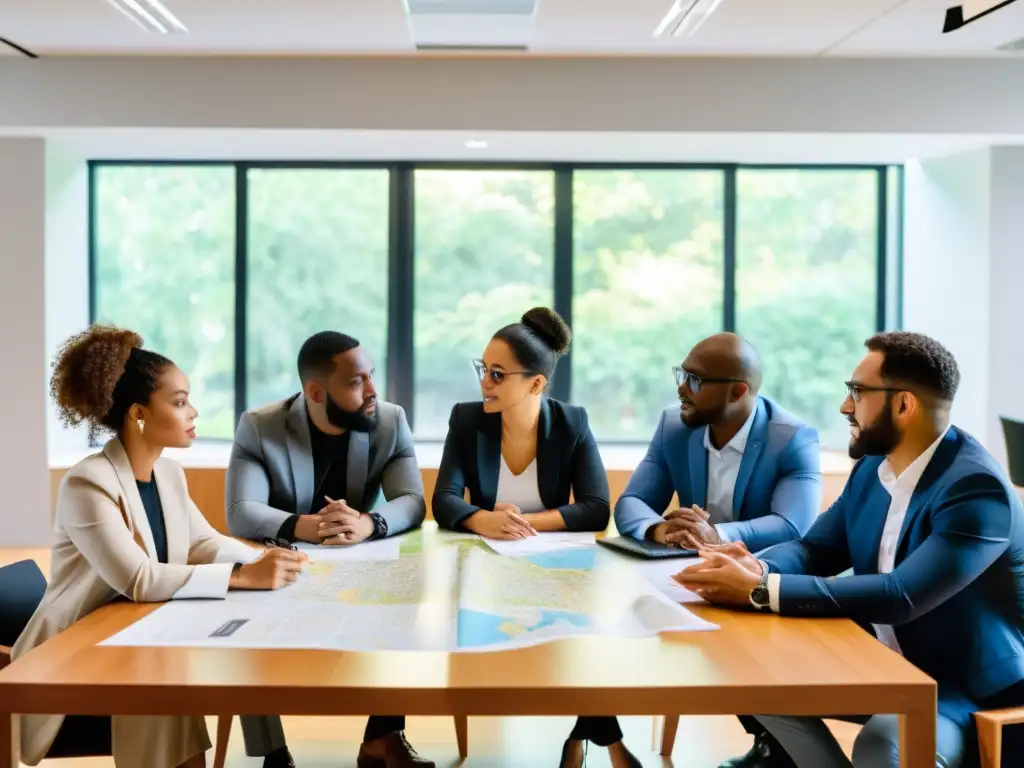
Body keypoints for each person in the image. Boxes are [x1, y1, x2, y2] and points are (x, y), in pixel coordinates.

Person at [677, 331, 1024, 768]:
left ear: (903, 405)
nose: (845, 406)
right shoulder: (872, 469)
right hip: (882, 662)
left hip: (963, 688)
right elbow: (813, 550)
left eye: (857, 392)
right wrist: (749, 564)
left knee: (883, 746)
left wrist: (761, 588)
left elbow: (901, 595)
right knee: (752, 675)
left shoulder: (976, 489)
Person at [13, 325, 306, 768]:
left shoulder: (168, 474)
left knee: (207, 651)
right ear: (138, 415)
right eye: (180, 401)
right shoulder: (88, 483)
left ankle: (272, 754)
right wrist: (243, 576)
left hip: (135, 631)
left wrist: (270, 560)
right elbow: (139, 579)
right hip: (70, 655)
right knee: (167, 681)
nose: (193, 412)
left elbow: (203, 542)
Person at [432, 308, 633, 768]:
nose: (485, 382)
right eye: (483, 369)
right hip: (483, 566)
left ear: (536, 384)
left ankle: (592, 739)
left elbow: (597, 508)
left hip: (555, 565)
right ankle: (609, 743)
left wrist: (524, 523)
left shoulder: (572, 423)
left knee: (588, 630)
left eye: (498, 374)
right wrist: (482, 520)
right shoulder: (468, 420)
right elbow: (443, 500)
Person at [614, 332, 822, 767]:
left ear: (738, 391)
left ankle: (774, 746)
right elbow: (631, 503)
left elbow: (793, 524)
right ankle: (770, 743)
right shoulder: (675, 427)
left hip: (761, 580)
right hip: (690, 579)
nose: (680, 388)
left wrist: (718, 536)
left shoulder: (792, 438)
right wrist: (660, 531)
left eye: (694, 379)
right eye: (681, 374)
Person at [226, 330, 430, 768]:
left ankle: (382, 740)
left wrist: (367, 523)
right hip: (287, 562)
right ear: (316, 391)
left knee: (402, 601)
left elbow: (412, 501)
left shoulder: (389, 420)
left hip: (363, 561)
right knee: (248, 617)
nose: (373, 390)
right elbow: (241, 511)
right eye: (357, 382)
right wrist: (308, 526)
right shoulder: (260, 426)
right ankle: (273, 755)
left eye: (371, 376)